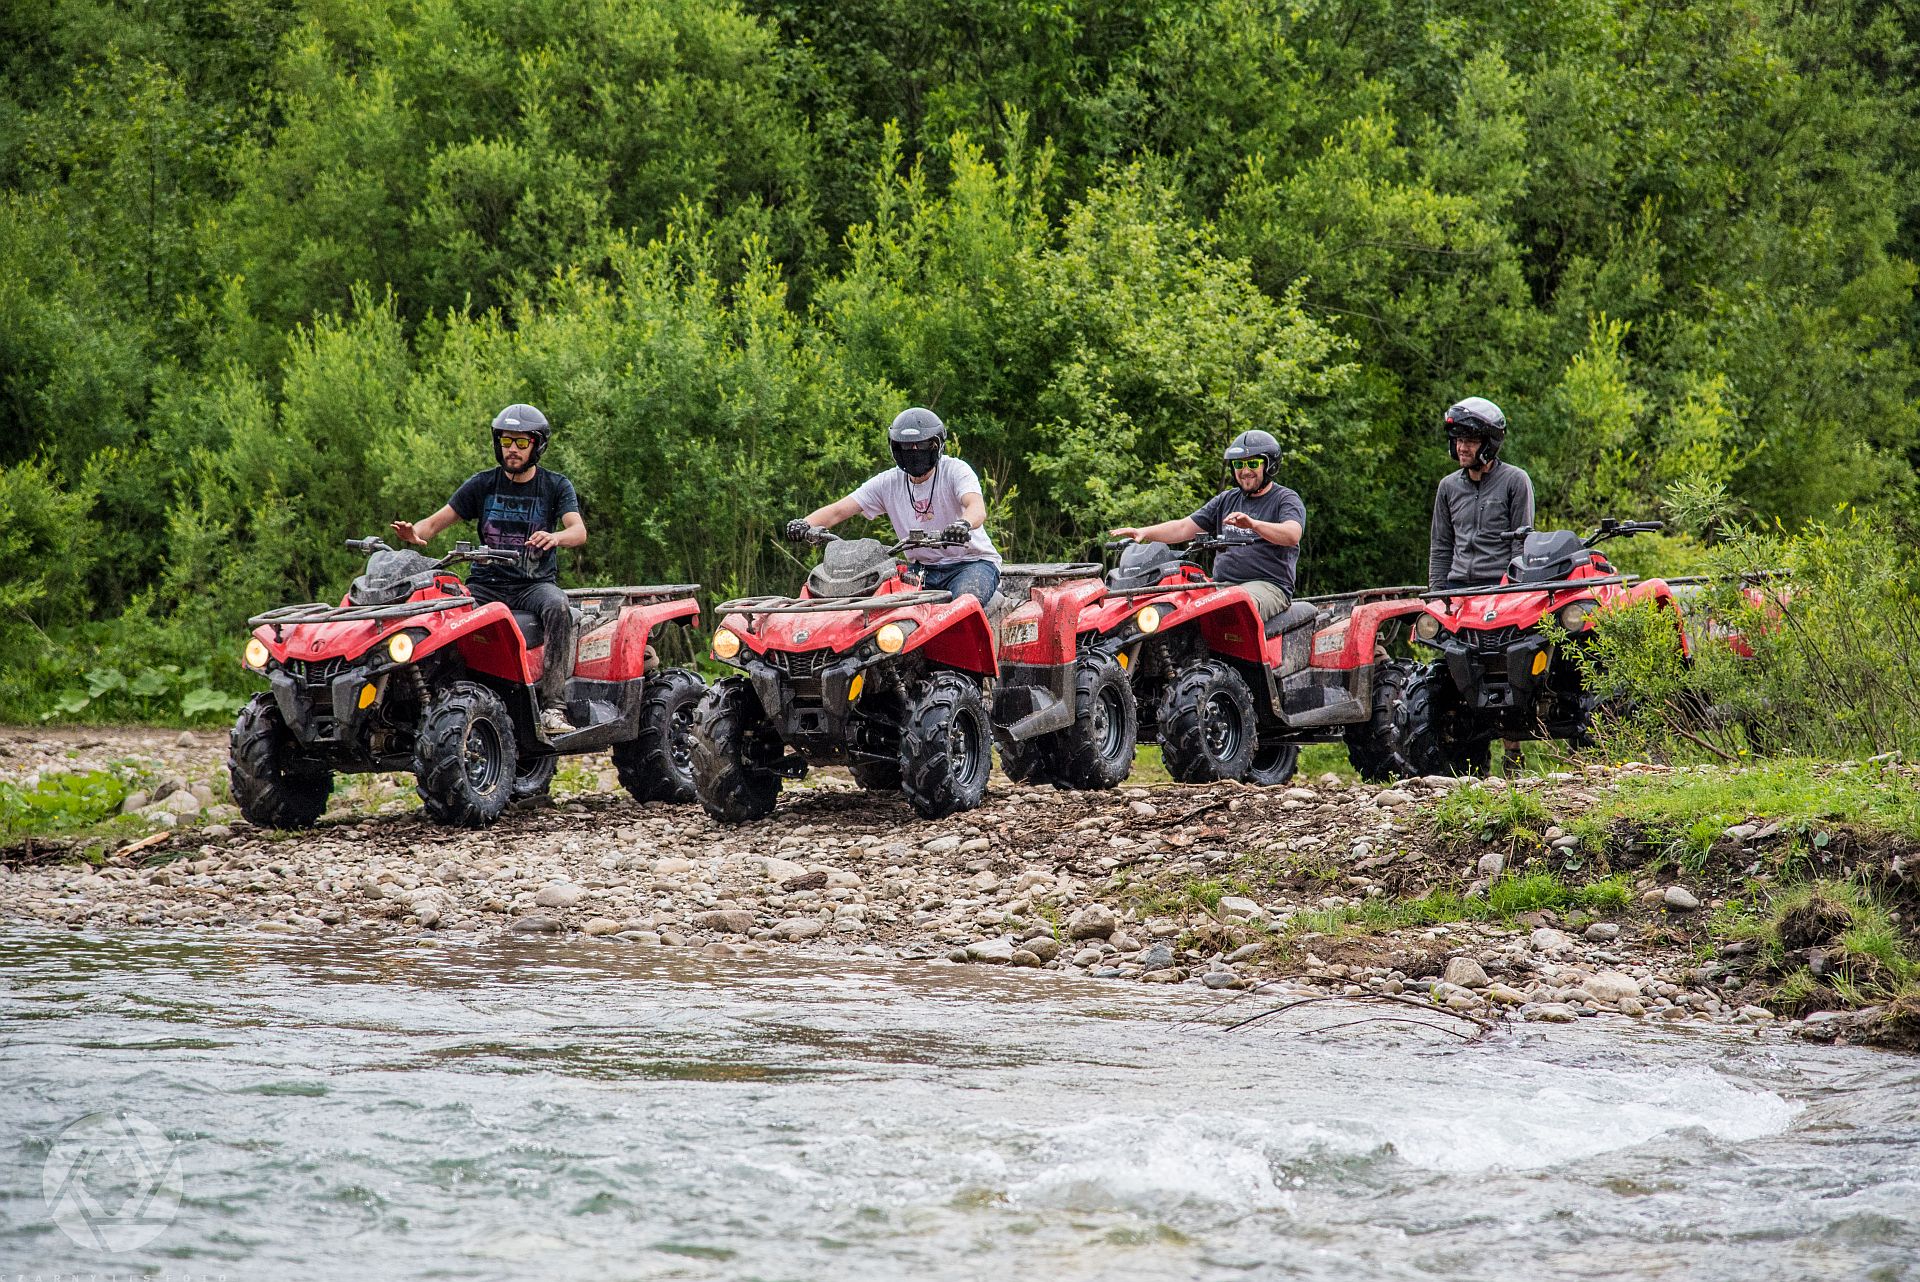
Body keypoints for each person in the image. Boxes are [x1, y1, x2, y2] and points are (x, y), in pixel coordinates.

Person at [393, 405, 586, 736]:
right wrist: (414, 534)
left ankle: (553, 707)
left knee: (558, 606)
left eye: (521, 443)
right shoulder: (482, 484)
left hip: (533, 584)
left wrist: (555, 537)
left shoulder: (555, 485)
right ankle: (439, 698)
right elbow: (433, 524)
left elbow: (578, 531)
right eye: (506, 441)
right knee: (443, 612)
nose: (512, 449)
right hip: (485, 584)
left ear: (537, 445)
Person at [786, 407, 1002, 604]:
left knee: (963, 606)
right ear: (895, 448)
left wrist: (963, 524)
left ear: (936, 445)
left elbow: (976, 507)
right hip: (921, 570)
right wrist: (805, 524)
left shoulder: (955, 470)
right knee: (878, 605)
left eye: (921, 445)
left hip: (971, 563)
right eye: (906, 446)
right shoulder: (888, 482)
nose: (914, 451)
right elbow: (838, 510)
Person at [1109, 429, 1306, 621]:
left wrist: (1253, 525)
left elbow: (1292, 534)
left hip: (1268, 587)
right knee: (1172, 608)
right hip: (1221, 585)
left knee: (1232, 607)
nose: (1245, 471)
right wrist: (1144, 532)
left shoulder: (1285, 499)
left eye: (1253, 464)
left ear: (1270, 466)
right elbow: (1183, 527)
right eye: (1239, 464)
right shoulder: (1226, 500)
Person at [1428, 396, 1534, 592]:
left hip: (1498, 585)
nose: (1462, 448)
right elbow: (1441, 546)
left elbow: (1521, 544)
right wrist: (1436, 595)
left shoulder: (1515, 480)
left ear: (1488, 444)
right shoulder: (1447, 486)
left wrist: (1516, 590)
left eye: (1470, 441)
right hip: (1457, 587)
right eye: (1459, 440)